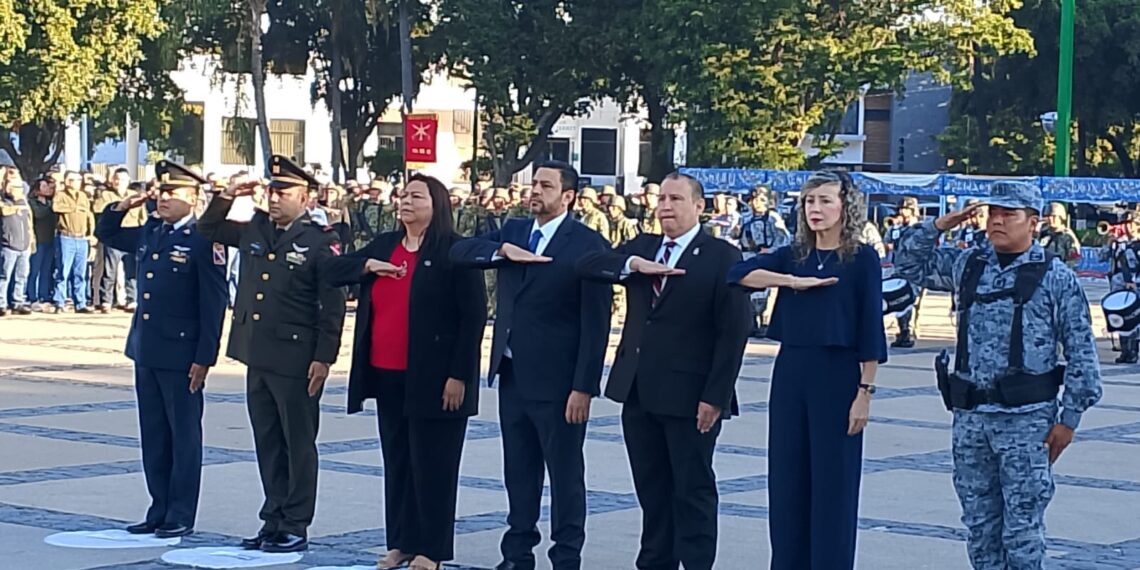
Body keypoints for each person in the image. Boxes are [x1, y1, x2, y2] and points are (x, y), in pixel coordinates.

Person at [894, 181, 1102, 569]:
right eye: (993, 213)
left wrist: (1069, 420)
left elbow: (1082, 354)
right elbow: (908, 263)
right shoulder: (969, 265)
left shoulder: (1055, 277)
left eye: (1009, 214)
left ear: (1033, 223)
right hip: (972, 421)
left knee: (1022, 533)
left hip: (1027, 422)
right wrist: (938, 225)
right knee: (980, 529)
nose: (998, 221)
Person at [576, 173, 751, 570]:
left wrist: (716, 397)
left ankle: (697, 563)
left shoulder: (721, 256)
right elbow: (589, 264)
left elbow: (733, 333)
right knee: (652, 490)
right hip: (639, 390)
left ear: (699, 206)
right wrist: (632, 264)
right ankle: (656, 562)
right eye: (662, 199)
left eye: (676, 199)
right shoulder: (644, 246)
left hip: (690, 397)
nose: (666, 206)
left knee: (692, 490)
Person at [450, 160, 611, 570]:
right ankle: (517, 554)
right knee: (519, 472)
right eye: (533, 183)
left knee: (564, 475)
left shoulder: (587, 244)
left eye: (545, 185)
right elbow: (460, 251)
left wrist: (584, 386)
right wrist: (500, 251)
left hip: (559, 383)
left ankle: (566, 556)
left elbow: (596, 324)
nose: (535, 191)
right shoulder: (515, 230)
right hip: (513, 375)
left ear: (568, 196)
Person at [727, 169, 887, 570]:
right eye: (809, 201)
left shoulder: (861, 258)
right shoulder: (794, 254)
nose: (815, 208)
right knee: (787, 480)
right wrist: (790, 282)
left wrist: (865, 392)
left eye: (825, 200)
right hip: (792, 371)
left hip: (838, 374)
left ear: (845, 206)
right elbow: (738, 274)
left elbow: (871, 329)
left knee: (834, 483)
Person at [324, 174, 485, 570]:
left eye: (416, 196)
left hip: (436, 378)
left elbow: (473, 318)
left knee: (434, 466)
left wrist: (460, 375)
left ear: (437, 204)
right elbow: (330, 270)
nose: (406, 201)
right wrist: (367, 266)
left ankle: (432, 550)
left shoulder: (453, 250)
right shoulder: (385, 246)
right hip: (387, 374)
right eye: (403, 195)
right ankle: (402, 542)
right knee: (398, 464)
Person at [197, 155, 346, 553]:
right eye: (271, 191)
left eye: (284, 193)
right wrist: (227, 195)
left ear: (306, 197)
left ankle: (295, 523)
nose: (275, 199)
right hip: (257, 352)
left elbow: (332, 305)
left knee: (298, 444)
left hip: (296, 358)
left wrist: (324, 358)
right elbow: (207, 228)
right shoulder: (257, 227)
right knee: (267, 441)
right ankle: (273, 517)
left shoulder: (321, 241)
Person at [95, 161, 227, 539]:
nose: (163, 198)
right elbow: (107, 233)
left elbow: (213, 303)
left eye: (173, 193)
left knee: (183, 436)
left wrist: (204, 357)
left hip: (182, 354)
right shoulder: (153, 230)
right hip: (147, 349)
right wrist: (123, 205)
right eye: (162, 192)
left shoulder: (204, 239)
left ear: (193, 198)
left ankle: (180, 512)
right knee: (154, 435)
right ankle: (159, 507)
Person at [740, 188, 791, 337]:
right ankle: (751, 322)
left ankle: (765, 323)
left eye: (761, 200)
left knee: (766, 291)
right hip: (749, 256)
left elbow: (783, 237)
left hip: (767, 256)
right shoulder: (746, 218)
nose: (757, 203)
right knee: (749, 290)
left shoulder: (772, 218)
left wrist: (771, 250)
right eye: (754, 200)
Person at [94, 168, 145, 312]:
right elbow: (99, 212)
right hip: (114, 237)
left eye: (122, 179)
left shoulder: (135, 195)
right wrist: (122, 205)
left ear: (128, 181)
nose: (119, 182)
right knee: (109, 271)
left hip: (132, 235)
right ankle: (106, 300)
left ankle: (132, 299)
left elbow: (142, 216)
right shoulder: (105, 195)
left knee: (132, 271)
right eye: (116, 179)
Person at [50, 170, 96, 314]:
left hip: (82, 238)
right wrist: (73, 208)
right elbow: (55, 207)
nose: (78, 182)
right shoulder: (60, 195)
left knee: (80, 273)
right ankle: (59, 301)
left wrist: (91, 234)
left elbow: (89, 215)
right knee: (63, 271)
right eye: (75, 180)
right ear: (68, 181)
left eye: (79, 180)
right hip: (66, 237)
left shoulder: (83, 196)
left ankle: (80, 303)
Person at [1099, 213, 1140, 362]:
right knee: (1120, 318)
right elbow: (1101, 258)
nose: (1127, 227)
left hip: (1135, 285)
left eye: (1130, 223)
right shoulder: (1119, 243)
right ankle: (1124, 351)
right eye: (1124, 223)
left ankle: (1133, 351)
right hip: (1118, 284)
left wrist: (1133, 281)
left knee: (1134, 318)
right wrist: (1108, 243)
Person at [885, 197, 922, 347]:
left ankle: (908, 331)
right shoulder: (897, 228)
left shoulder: (920, 228)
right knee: (898, 300)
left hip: (915, 271)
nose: (901, 211)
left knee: (910, 301)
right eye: (900, 209)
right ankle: (902, 330)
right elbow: (887, 243)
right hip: (898, 269)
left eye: (905, 209)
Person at [1, 167, 35, 315]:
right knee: (4, 276)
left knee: (21, 276)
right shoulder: (4, 202)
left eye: (19, 188)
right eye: (14, 187)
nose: (18, 190)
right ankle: (2, 303)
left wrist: (31, 241)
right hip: (9, 245)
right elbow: (4, 211)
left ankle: (18, 302)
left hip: (24, 245)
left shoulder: (25, 203)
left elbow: (29, 224)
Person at [27, 177, 59, 309]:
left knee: (46, 270)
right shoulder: (32, 203)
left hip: (50, 240)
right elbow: (38, 214)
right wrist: (50, 206)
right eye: (44, 187)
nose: (47, 190)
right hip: (38, 240)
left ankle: (44, 295)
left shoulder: (51, 203)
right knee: (35, 269)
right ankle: (32, 296)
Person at [1038, 202, 1081, 268]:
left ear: (1061, 218)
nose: (1050, 219)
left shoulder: (1068, 235)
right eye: (1048, 216)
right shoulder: (1043, 233)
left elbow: (1073, 258)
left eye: (1054, 216)